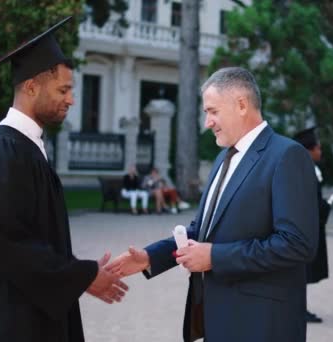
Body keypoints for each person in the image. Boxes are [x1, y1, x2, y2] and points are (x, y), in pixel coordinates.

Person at [112, 67, 318, 342]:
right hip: (218, 319)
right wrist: (151, 258)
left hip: (263, 324)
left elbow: (297, 244)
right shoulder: (224, 158)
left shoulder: (287, 155)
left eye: (212, 111)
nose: (207, 121)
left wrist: (215, 257)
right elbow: (202, 231)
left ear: (241, 105)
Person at [0, 17, 128, 342]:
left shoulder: (25, 147)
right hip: (11, 321)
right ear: (31, 87)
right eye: (63, 90)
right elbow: (11, 243)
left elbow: (35, 237)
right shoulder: (2, 149)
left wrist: (78, 273)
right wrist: (82, 275)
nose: (71, 99)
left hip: (31, 313)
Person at [293, 127, 331, 323]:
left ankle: (300, 308)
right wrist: (326, 206)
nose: (320, 151)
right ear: (309, 150)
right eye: (318, 147)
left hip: (308, 226)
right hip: (305, 229)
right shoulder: (305, 170)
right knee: (303, 270)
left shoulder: (305, 168)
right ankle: (299, 310)